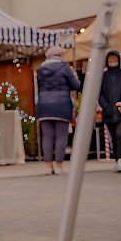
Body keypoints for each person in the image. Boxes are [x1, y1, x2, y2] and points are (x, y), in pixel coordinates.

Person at [36, 45, 81, 174]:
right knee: (61, 135)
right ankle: (59, 165)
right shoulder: (64, 68)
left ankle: (49, 166)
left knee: (47, 136)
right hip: (62, 104)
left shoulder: (41, 69)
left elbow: (40, 87)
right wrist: (75, 76)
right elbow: (76, 85)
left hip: (44, 105)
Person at [99, 50, 121, 172]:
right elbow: (100, 94)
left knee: (119, 134)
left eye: (114, 59)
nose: (112, 61)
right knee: (113, 137)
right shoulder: (103, 76)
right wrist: (105, 106)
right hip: (109, 112)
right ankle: (117, 159)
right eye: (110, 59)